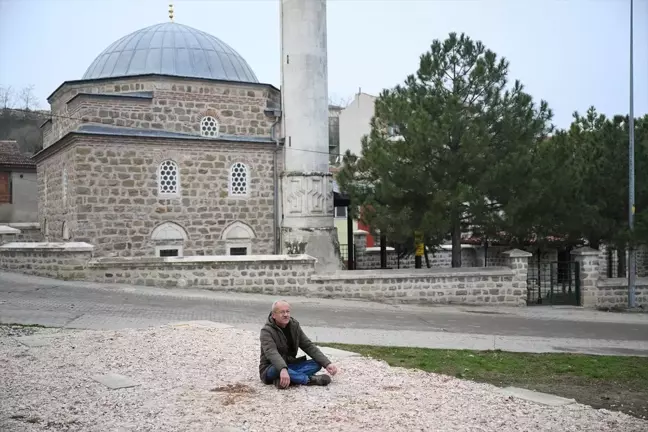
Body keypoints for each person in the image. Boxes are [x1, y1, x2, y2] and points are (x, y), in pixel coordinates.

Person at [259, 300, 338, 389]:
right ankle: (308, 380)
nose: (286, 315)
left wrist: (327, 363)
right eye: (282, 312)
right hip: (270, 369)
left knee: (317, 363)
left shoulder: (294, 326)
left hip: (290, 365)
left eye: (287, 311)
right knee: (276, 368)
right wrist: (282, 369)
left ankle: (286, 379)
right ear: (273, 315)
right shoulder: (266, 331)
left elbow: (308, 345)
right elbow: (272, 353)